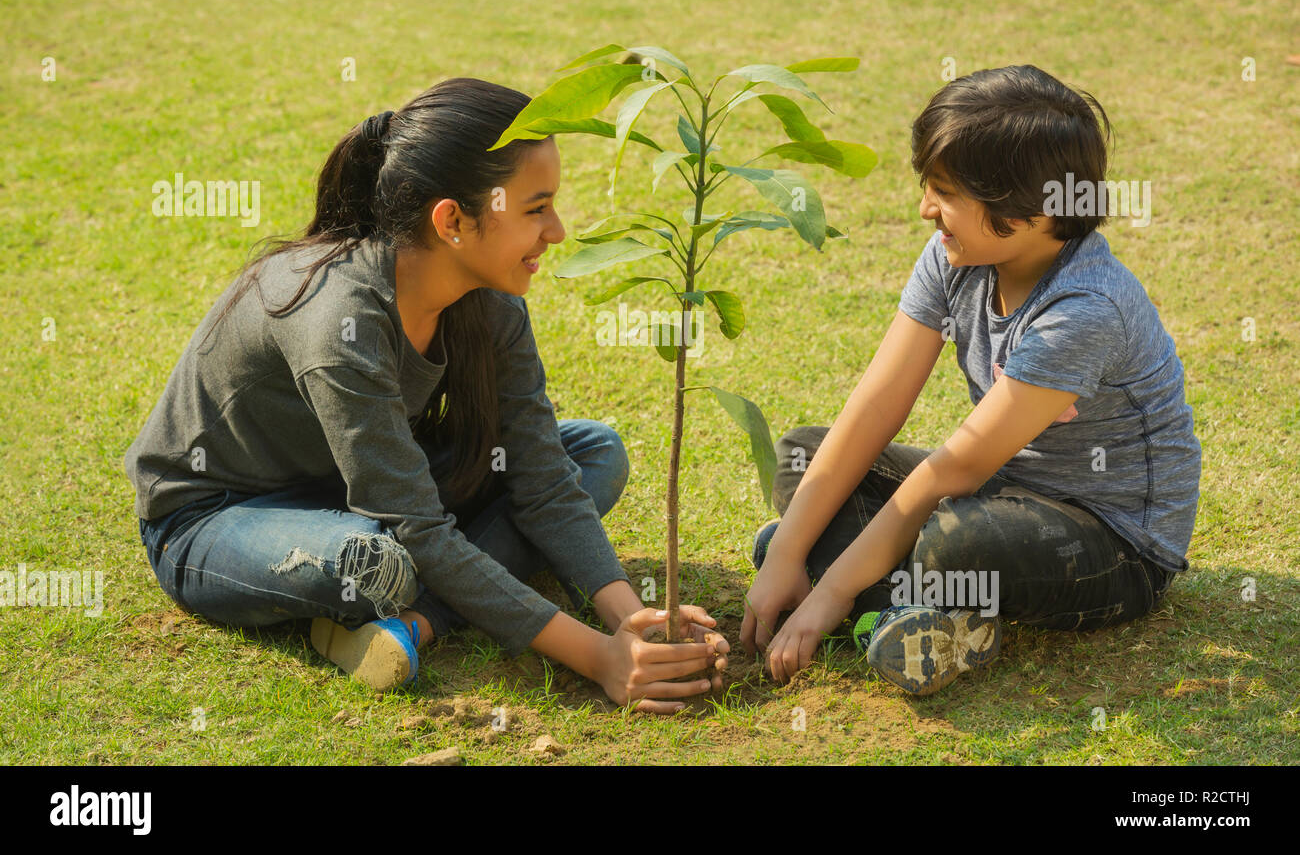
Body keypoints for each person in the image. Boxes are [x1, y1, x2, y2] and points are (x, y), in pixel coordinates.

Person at [125, 77, 727, 712]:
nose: (556, 230)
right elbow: (414, 527)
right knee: (377, 562)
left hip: (365, 491)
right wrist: (598, 659)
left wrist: (629, 621)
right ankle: (415, 608)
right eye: (535, 208)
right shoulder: (339, 320)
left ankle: (410, 625)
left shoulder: (490, 301)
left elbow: (543, 478)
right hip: (215, 516)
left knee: (592, 453)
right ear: (452, 221)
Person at [740, 65, 1201, 694]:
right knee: (804, 454)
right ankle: (903, 612)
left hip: (1113, 541)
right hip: (1002, 486)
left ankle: (860, 591)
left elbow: (951, 473)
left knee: (954, 544)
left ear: (1033, 211)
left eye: (946, 194)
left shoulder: (1084, 310)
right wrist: (790, 550)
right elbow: (876, 404)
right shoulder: (955, 255)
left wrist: (825, 594)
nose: (926, 209)